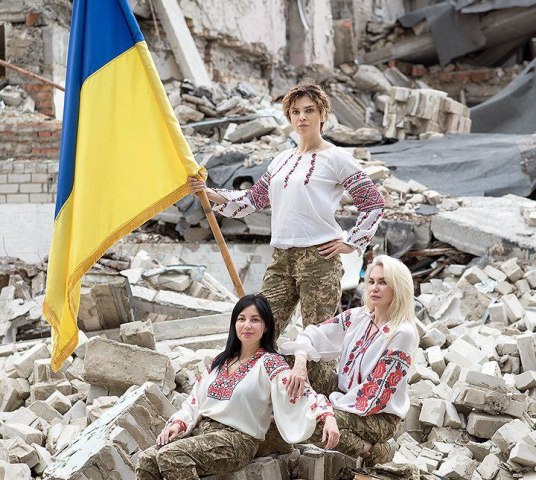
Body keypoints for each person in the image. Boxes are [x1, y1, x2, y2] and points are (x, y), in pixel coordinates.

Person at [188, 79, 384, 338]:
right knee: (261, 331)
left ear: (322, 114)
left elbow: (373, 202)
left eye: (309, 110)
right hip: (281, 258)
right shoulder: (281, 160)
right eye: (295, 111)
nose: (302, 117)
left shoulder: (337, 158)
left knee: (317, 338)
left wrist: (352, 243)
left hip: (319, 258)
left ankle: (310, 368)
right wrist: (207, 191)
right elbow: (253, 200)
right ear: (289, 117)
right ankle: (271, 367)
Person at [135, 294, 339, 480]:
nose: (247, 325)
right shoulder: (219, 361)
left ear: (266, 326)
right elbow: (193, 401)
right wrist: (178, 424)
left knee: (172, 456)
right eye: (241, 319)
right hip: (201, 432)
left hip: (236, 440)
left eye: (255, 320)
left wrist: (327, 416)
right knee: (146, 460)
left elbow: (302, 392)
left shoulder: (270, 363)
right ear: (234, 324)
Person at [279, 255, 418, 465]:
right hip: (343, 395)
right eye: (371, 281)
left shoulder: (402, 333)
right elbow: (313, 335)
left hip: (378, 415)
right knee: (288, 362)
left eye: (383, 282)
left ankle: (373, 450)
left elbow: (374, 394)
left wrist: (325, 408)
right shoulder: (359, 316)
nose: (374, 288)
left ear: (398, 287)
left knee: (313, 422)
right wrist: (299, 363)